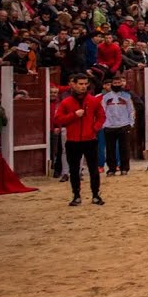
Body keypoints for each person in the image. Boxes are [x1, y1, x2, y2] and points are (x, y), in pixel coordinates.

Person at [52, 73, 105, 206]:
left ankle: (95, 194)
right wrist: (74, 115)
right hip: (73, 141)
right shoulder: (66, 102)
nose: (83, 87)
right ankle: (76, 195)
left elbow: (101, 116)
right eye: (80, 84)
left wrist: (95, 128)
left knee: (93, 169)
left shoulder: (93, 101)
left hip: (89, 139)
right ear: (73, 85)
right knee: (74, 170)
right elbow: (58, 119)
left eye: (85, 84)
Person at [100, 76, 134, 176]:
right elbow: (102, 110)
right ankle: (111, 168)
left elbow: (131, 110)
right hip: (109, 125)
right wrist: (103, 124)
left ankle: (124, 168)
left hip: (124, 124)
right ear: (112, 84)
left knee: (124, 148)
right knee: (110, 149)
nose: (117, 85)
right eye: (115, 83)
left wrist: (131, 123)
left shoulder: (127, 96)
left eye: (119, 83)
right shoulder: (106, 97)